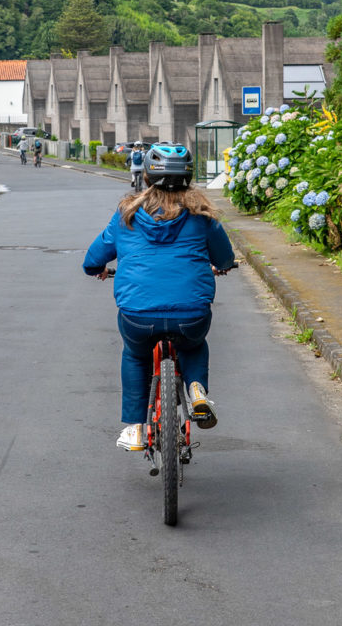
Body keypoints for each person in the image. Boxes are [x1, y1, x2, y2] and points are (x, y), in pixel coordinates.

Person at [83, 143, 235, 452]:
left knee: (136, 355)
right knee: (193, 344)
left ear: (148, 177)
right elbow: (224, 257)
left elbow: (94, 257)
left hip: (137, 315)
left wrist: (97, 268)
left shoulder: (127, 213)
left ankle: (136, 427)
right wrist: (222, 266)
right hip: (190, 313)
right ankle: (197, 392)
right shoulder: (202, 216)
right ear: (188, 177)